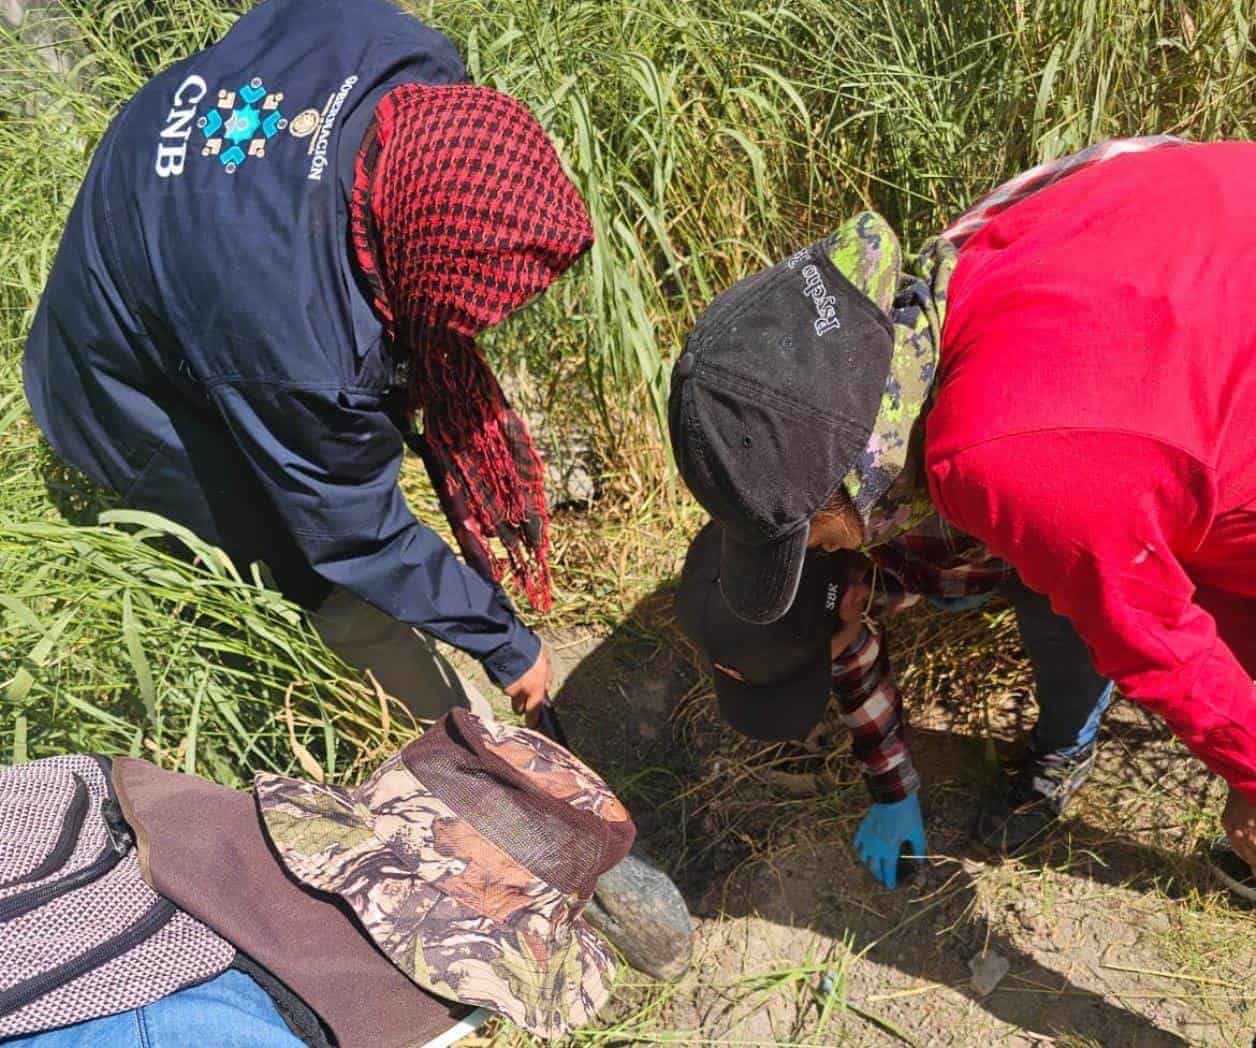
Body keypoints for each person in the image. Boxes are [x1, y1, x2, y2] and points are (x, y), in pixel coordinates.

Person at [669, 138, 1256, 875]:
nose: (821, 554)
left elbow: (1153, 631)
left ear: (854, 469)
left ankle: (1064, 750)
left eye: (808, 535)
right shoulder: (962, 261)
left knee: (1074, 615)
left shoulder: (1002, 460)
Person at [23, 0, 594, 727]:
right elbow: (356, 533)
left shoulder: (407, 57)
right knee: (301, 565)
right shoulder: (299, 350)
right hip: (115, 364)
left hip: (173, 172)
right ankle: (439, 739)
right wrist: (505, 644)